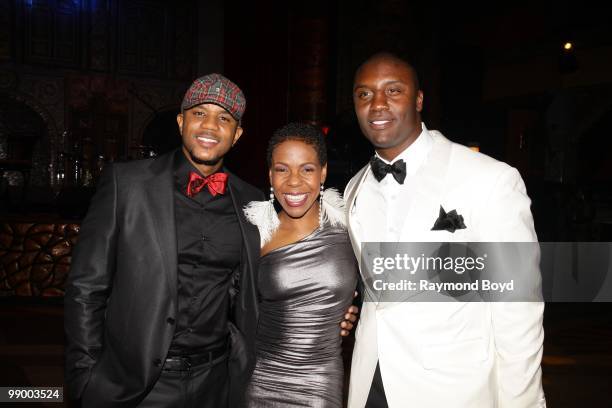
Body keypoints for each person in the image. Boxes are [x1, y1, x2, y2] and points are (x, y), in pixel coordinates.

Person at [64, 74, 356, 408]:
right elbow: (86, 288)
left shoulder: (249, 202)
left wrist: (332, 311)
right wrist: (84, 376)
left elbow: (257, 285)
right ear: (180, 121)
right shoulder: (127, 185)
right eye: (199, 113)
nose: (210, 126)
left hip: (216, 382)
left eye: (224, 119)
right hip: (138, 384)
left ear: (237, 134)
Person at [344, 52, 546, 407]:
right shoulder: (354, 188)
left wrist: (522, 402)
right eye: (365, 94)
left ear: (419, 99)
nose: (377, 104)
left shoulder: (490, 179)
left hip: (453, 388)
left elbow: (518, 308)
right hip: (370, 381)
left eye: (393, 91)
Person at [243, 123, 358, 407]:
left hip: (320, 380)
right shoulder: (253, 233)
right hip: (261, 378)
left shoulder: (352, 226)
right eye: (282, 169)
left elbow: (382, 285)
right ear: (270, 175)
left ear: (323, 172)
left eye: (306, 169)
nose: (294, 181)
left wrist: (357, 315)